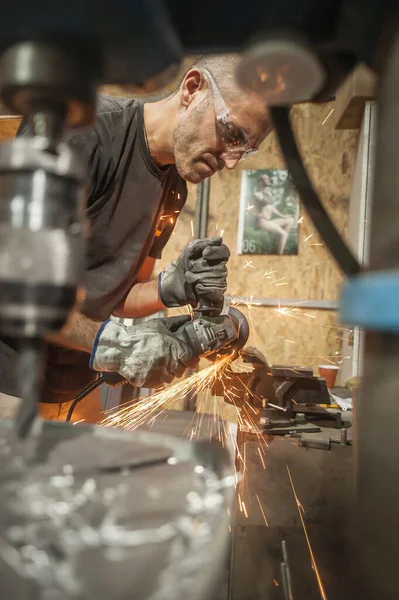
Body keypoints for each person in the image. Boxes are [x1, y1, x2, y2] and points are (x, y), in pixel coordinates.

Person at [0, 54, 271, 420]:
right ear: (193, 88)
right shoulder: (78, 129)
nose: (231, 161)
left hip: (72, 384)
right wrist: (117, 347)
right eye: (232, 134)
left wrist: (171, 287)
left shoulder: (173, 187)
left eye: (244, 148)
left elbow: (118, 296)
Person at [254, 186, 294, 255]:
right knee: (284, 234)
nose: (268, 190)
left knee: (290, 220)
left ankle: (280, 242)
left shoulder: (268, 198)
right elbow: (250, 209)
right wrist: (258, 215)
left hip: (268, 221)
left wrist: (284, 216)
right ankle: (279, 254)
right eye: (266, 188)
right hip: (262, 221)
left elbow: (273, 210)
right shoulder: (258, 195)